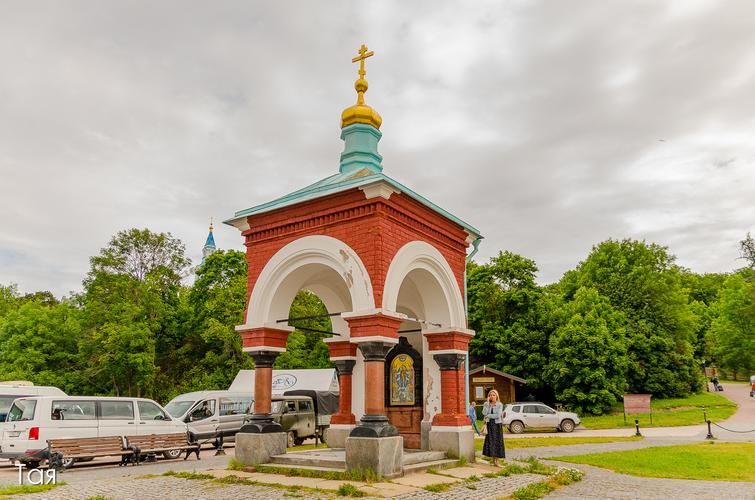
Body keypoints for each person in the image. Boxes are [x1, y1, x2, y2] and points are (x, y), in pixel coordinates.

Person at [482, 389, 505, 466]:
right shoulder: (486, 404)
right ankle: (493, 461)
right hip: (489, 425)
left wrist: (488, 415)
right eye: (490, 395)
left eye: (493, 395)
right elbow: (484, 413)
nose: (492, 396)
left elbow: (497, 415)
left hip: (497, 425)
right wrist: (488, 404)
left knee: (497, 442)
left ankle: (497, 461)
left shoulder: (499, 404)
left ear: (496, 396)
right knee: (491, 442)